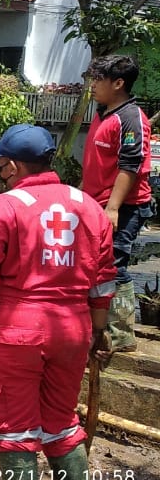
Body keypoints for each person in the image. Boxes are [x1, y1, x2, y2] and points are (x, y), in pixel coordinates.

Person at [0, 123, 115, 480]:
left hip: (16, 333)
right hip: (73, 330)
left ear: (13, 166)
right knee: (62, 424)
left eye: (0, 164)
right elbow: (103, 282)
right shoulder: (89, 207)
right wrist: (98, 331)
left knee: (14, 431)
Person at [81, 55, 150, 355]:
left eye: (99, 79)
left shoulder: (131, 118)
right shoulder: (103, 112)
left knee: (114, 265)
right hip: (96, 202)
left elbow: (130, 165)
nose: (93, 85)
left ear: (119, 83)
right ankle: (97, 327)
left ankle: (120, 335)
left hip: (124, 207)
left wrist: (112, 208)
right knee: (95, 264)